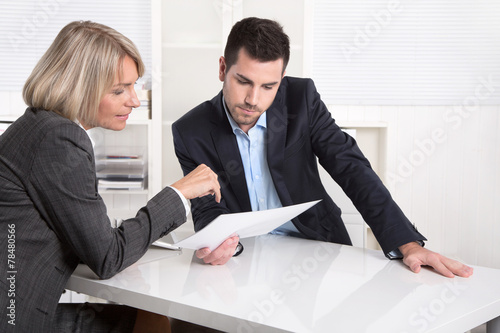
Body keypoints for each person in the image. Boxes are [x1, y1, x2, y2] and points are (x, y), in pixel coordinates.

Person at [172, 17, 473, 278]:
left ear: (281, 81)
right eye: (243, 81)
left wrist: (407, 243)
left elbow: (351, 167)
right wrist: (223, 244)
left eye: (268, 86)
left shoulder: (301, 99)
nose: (254, 99)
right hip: (243, 256)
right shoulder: (190, 131)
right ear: (223, 68)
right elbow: (207, 205)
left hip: (316, 248)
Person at [0, 21, 220, 333]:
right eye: (119, 90)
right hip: (18, 321)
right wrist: (179, 194)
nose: (133, 100)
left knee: (151, 319)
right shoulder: (59, 139)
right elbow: (107, 257)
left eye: (134, 86)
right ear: (79, 87)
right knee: (153, 322)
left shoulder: (36, 126)